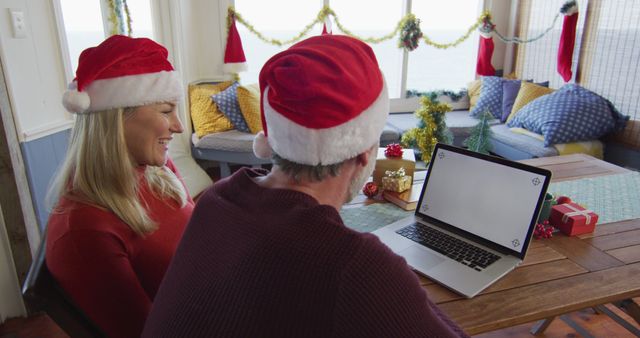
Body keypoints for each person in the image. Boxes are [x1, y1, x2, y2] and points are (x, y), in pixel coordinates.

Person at [143, 35, 468, 337]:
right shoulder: (355, 264)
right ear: (364, 153)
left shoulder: (218, 198)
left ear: (273, 139)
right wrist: (399, 288)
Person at [45, 35, 194, 338]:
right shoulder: (85, 228)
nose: (179, 126)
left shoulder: (158, 171)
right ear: (116, 120)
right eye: (166, 111)